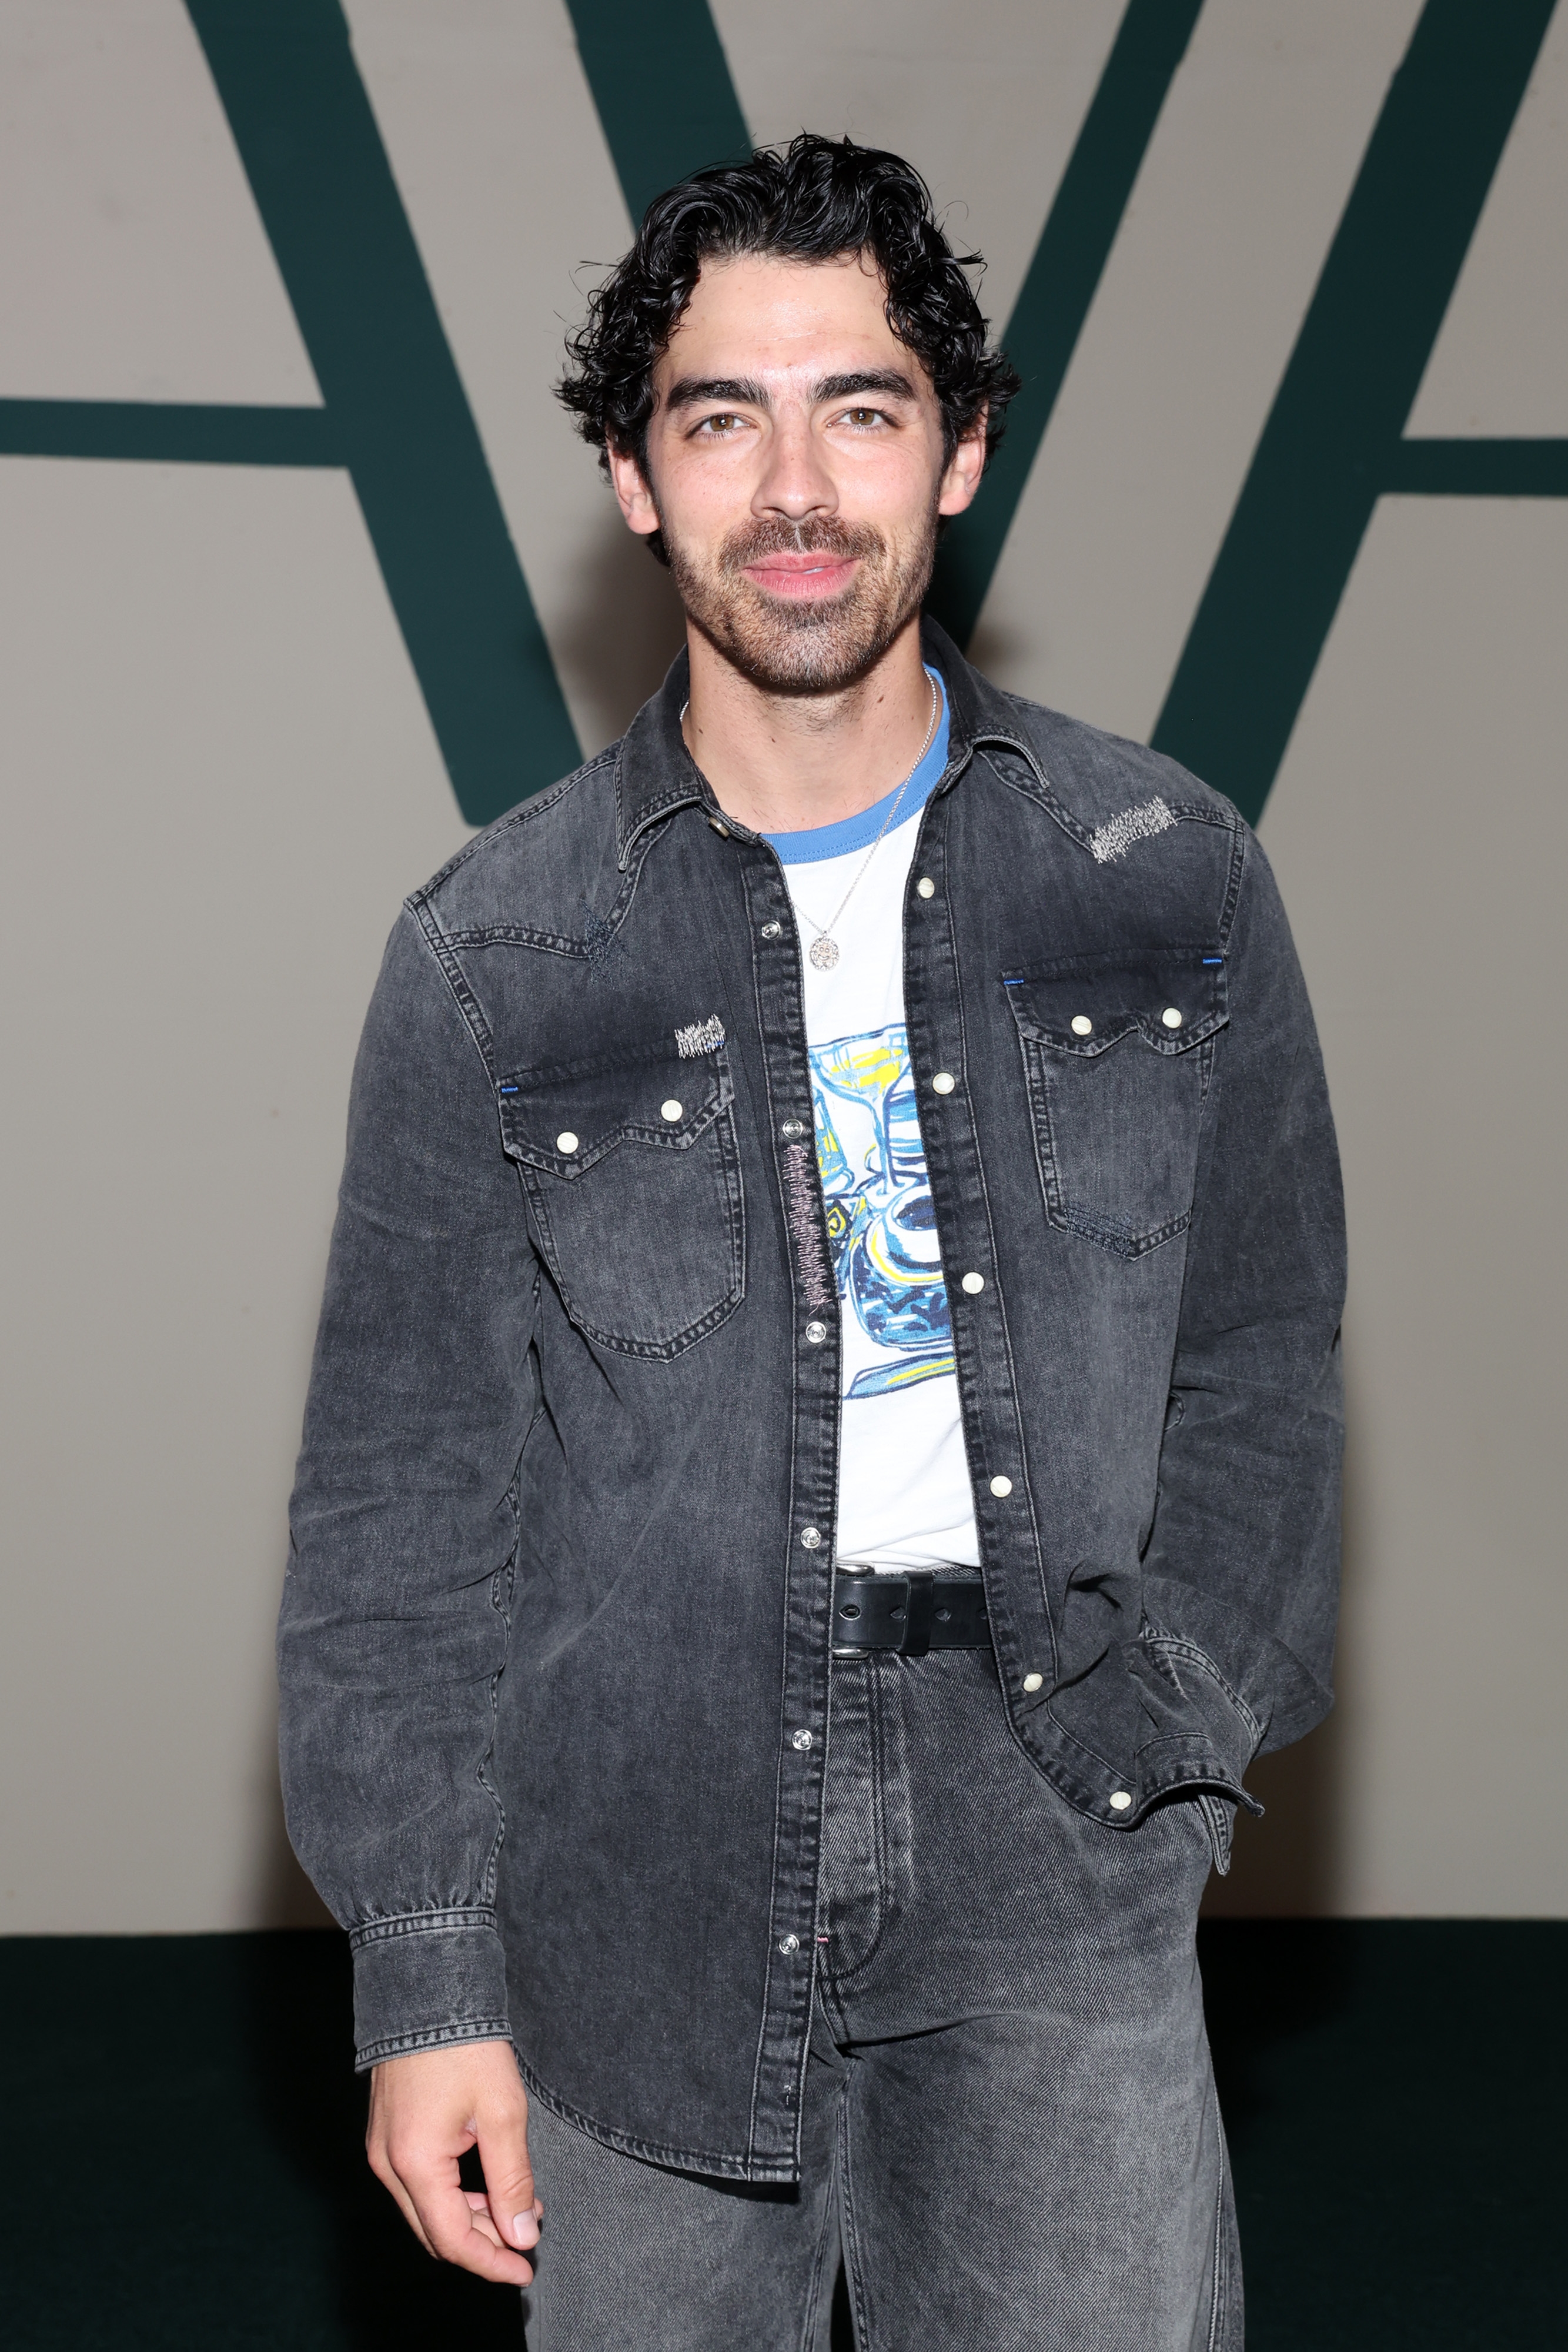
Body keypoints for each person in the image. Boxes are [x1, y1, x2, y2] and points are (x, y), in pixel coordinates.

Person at [280, 134, 1345, 2350]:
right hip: (634, 1840)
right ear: (631, 476)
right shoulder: (495, 950)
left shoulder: (1166, 874)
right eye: (717, 416)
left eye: (858, 408)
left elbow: (1259, 1356)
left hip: (1053, 1812)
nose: (793, 486)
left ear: (957, 455)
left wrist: (1179, 1739)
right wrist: (424, 1982)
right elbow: (398, 1510)